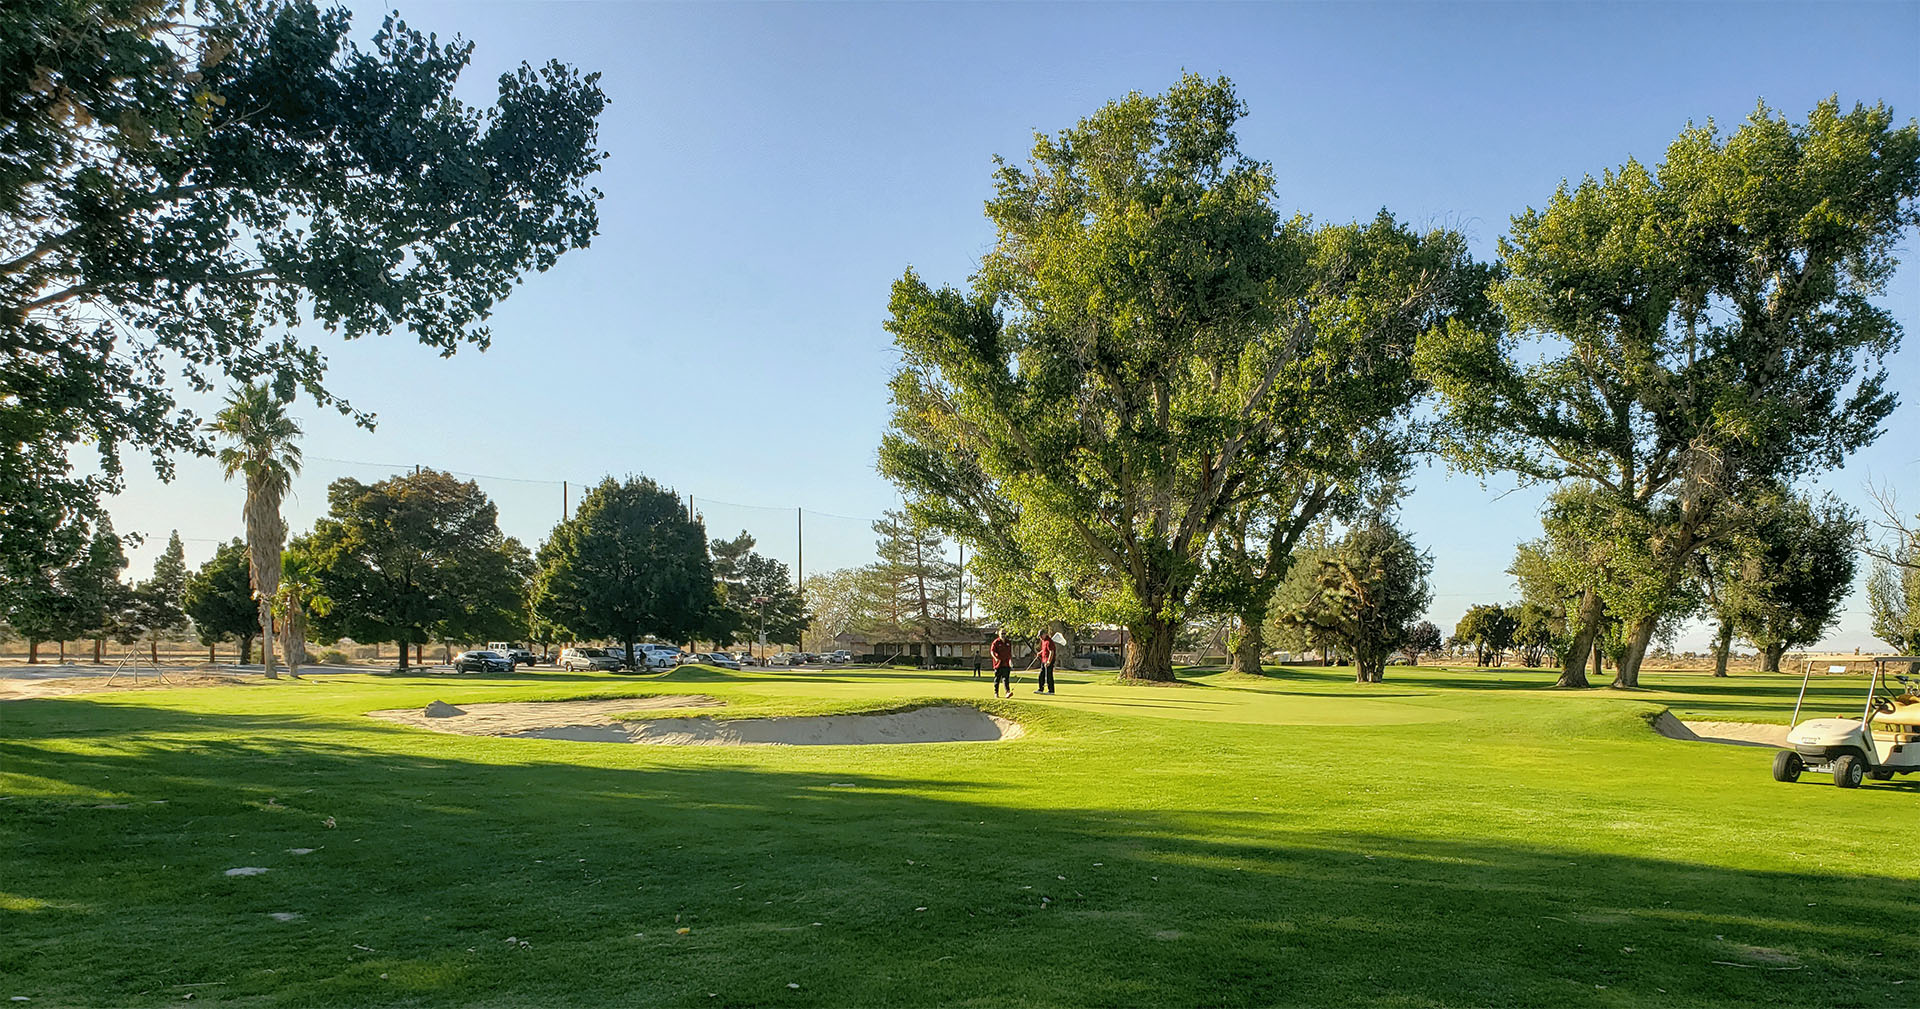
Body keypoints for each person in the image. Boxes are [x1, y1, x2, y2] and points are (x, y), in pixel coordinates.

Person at [989, 631, 1013, 697]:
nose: (1003, 635)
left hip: (1006, 663)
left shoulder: (1008, 642)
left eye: (1004, 634)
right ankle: (996, 693)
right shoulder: (996, 642)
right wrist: (995, 658)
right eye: (1002, 634)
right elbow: (992, 651)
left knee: (1006, 679)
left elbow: (1009, 653)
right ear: (999, 634)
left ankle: (1007, 692)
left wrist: (1010, 660)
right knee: (997, 679)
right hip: (998, 664)